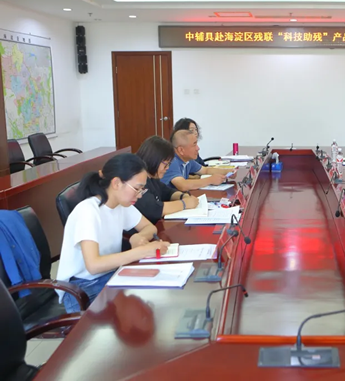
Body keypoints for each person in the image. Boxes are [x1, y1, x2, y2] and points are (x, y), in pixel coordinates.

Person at [56, 154, 170, 313]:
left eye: (142, 189)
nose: (139, 195)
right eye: (137, 188)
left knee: (157, 293)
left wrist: (139, 237)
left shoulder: (121, 204)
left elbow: (150, 228)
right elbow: (94, 265)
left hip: (111, 275)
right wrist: (141, 251)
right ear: (116, 183)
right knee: (145, 303)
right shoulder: (88, 211)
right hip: (83, 288)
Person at [134, 136, 200, 224]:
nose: (167, 168)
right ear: (154, 159)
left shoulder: (153, 178)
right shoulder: (137, 181)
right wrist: (184, 204)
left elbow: (168, 192)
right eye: (166, 164)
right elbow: (154, 209)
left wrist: (183, 196)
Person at [161, 130, 229, 191]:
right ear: (181, 150)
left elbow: (205, 170)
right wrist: (210, 180)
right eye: (194, 144)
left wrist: (228, 171)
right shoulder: (171, 161)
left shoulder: (187, 160)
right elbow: (183, 185)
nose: (198, 148)